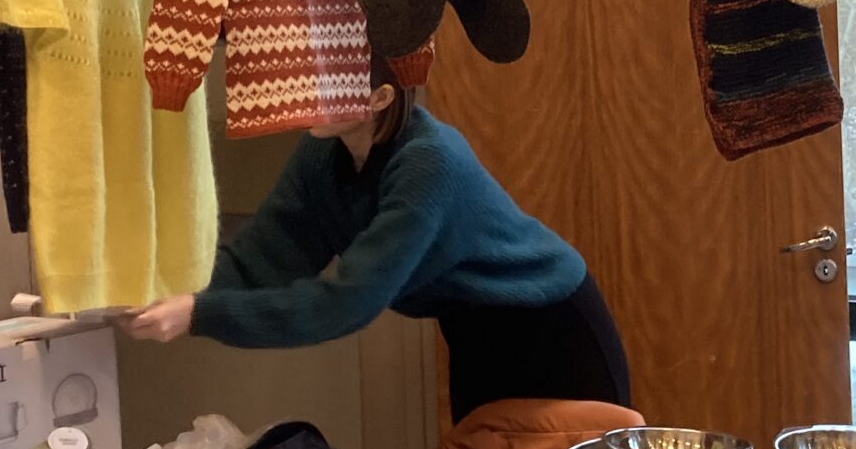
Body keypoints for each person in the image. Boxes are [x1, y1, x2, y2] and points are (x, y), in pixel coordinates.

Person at [120, 59, 631, 424]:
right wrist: (170, 289)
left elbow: (345, 302)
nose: (304, 90)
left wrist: (198, 314)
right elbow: (261, 258)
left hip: (553, 330)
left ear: (378, 97)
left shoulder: (429, 162)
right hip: (473, 333)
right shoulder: (322, 154)